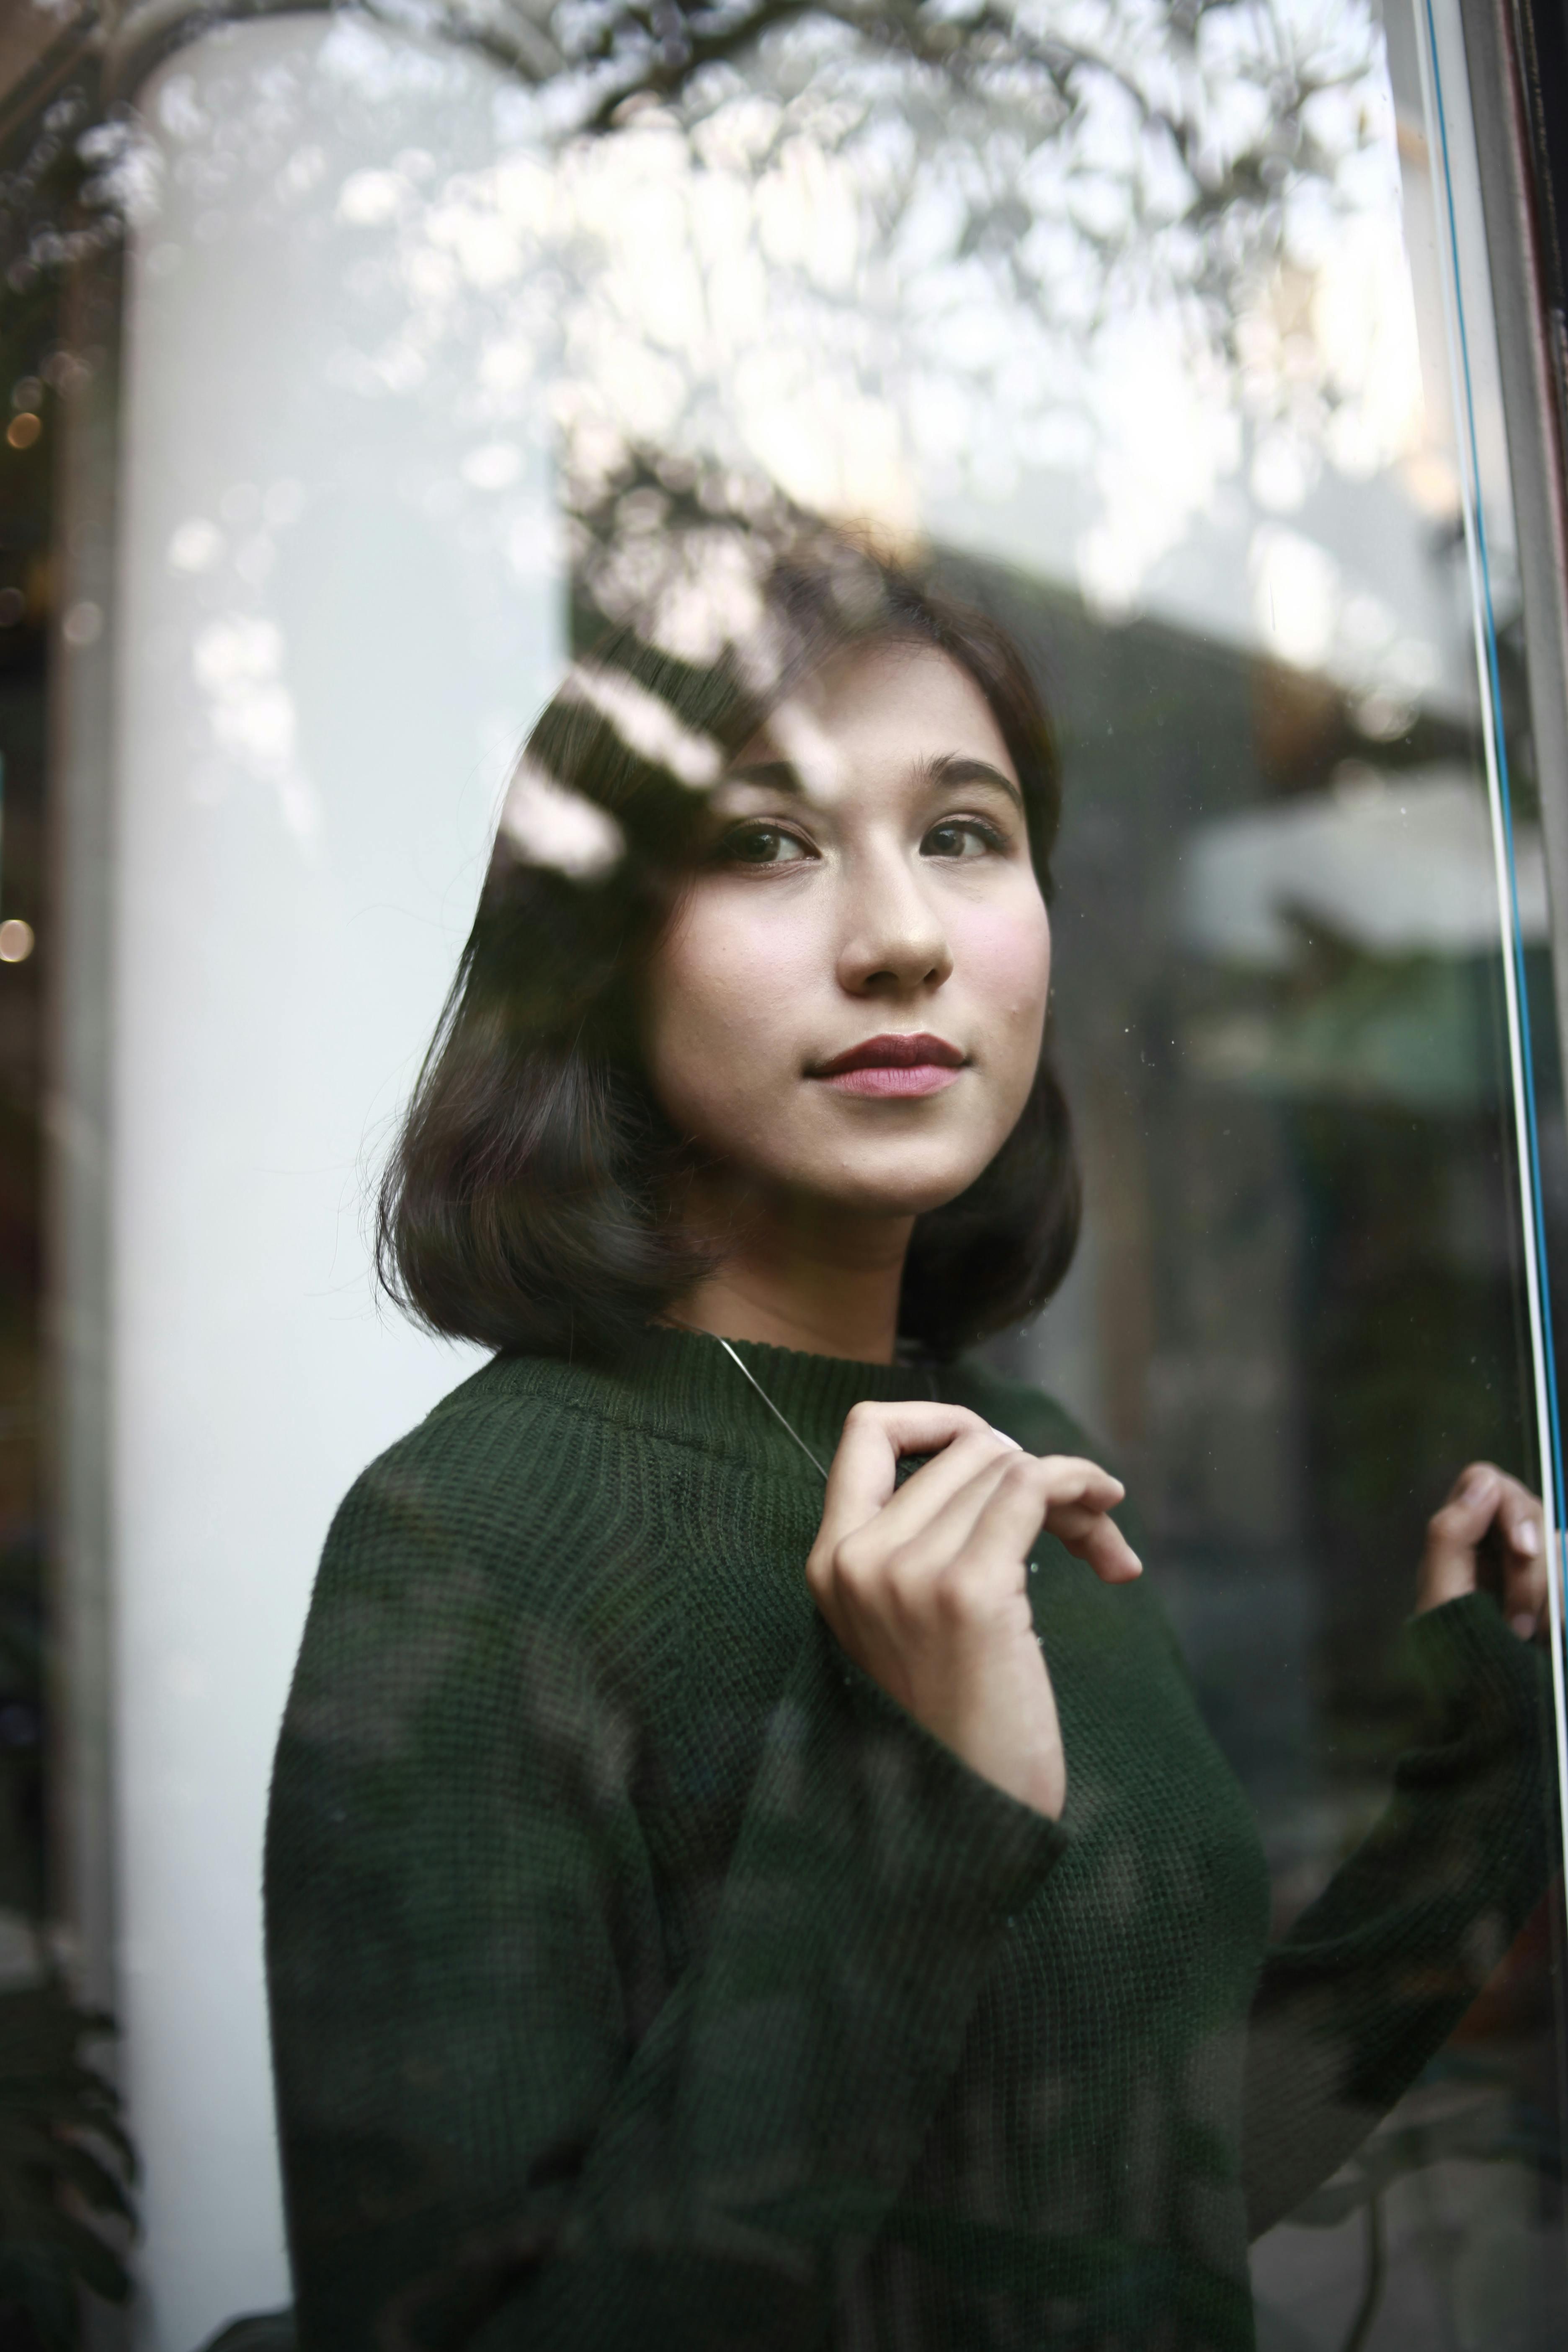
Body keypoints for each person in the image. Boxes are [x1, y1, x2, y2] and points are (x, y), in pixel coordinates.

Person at [264, 533, 1555, 2351]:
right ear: (598, 962)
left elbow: (1131, 2184)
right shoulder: (472, 1544)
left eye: (962, 835)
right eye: (766, 844)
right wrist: (903, 1797)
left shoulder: (1010, 1455)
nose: (898, 938)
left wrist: (1485, 1795)